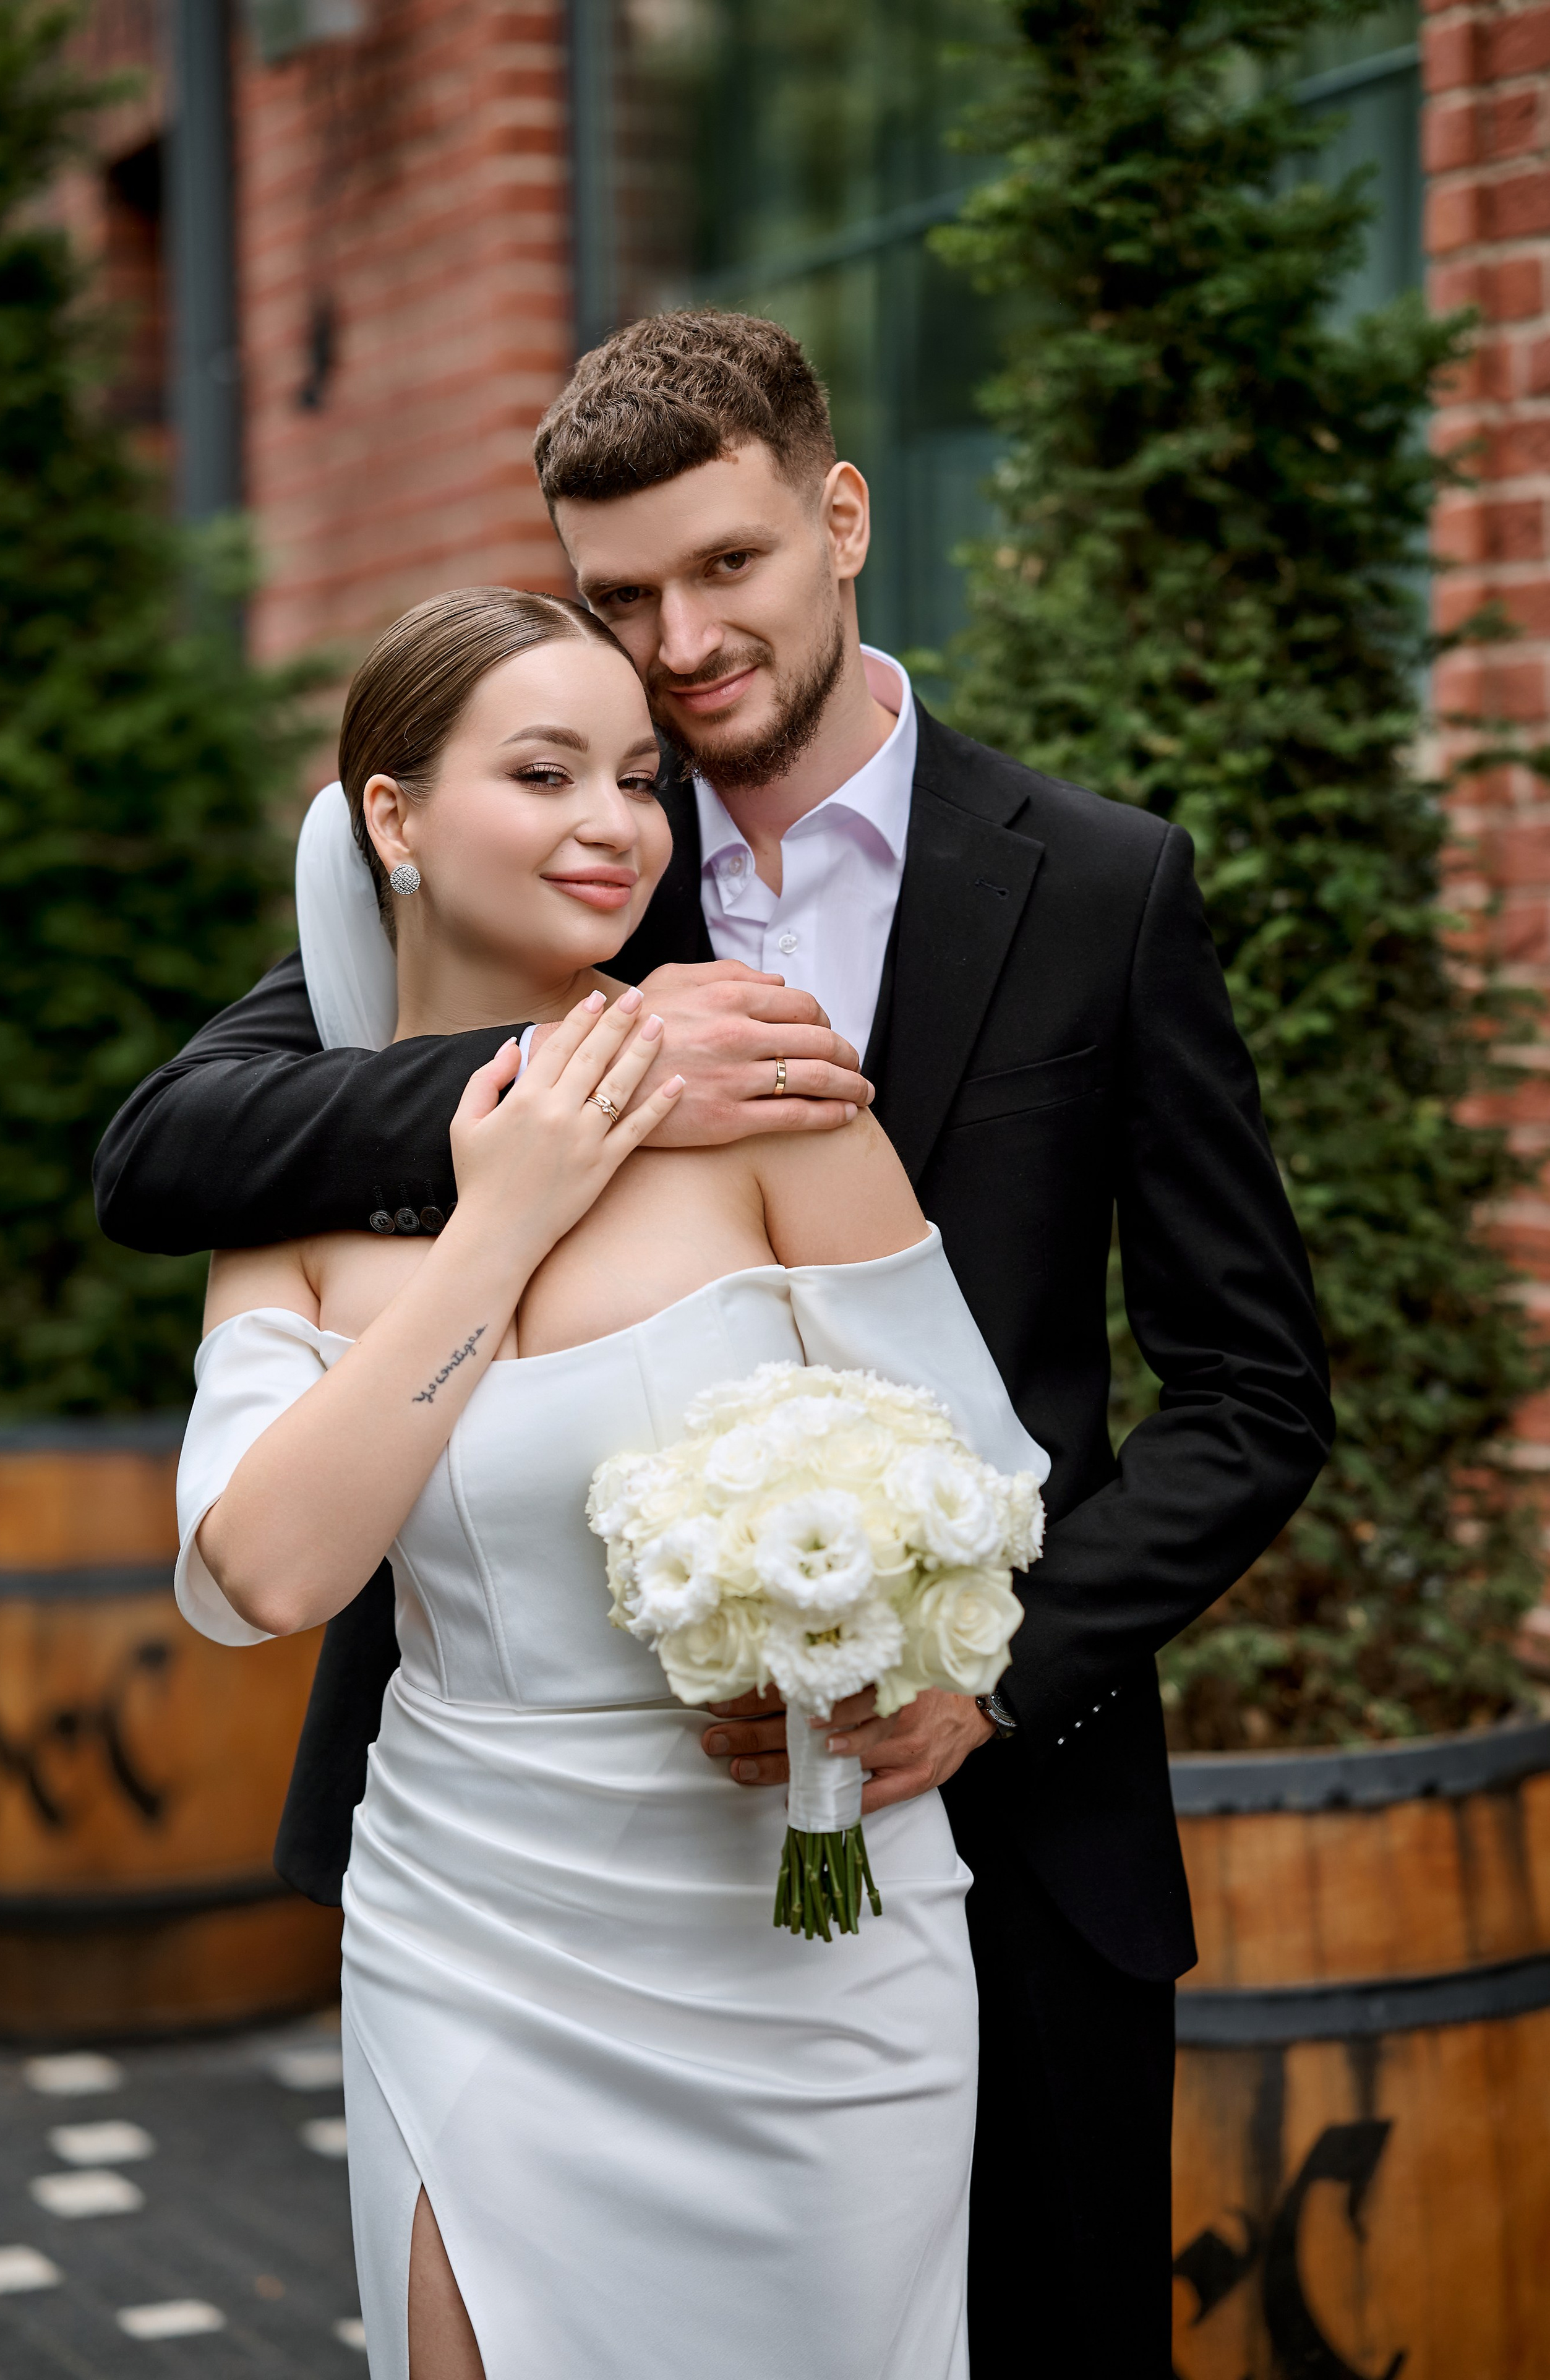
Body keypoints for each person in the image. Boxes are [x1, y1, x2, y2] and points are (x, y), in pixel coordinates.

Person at [96, 312, 1334, 2377]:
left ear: (841, 520)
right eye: (620, 598)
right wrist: (569, 1076)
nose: (676, 644)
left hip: (997, 1831)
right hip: (518, 1862)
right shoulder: (568, 863)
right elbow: (175, 1146)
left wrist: (979, 1678)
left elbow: (1251, 1390)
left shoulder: (1102, 886)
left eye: (727, 566)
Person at [175, 583, 1047, 2378]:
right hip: (474, 1925)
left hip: (808, 1950)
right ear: (394, 818)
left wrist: (922, 1675)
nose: (614, 825)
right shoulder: (288, 1188)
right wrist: (501, 1221)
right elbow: (271, 1575)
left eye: (641, 779)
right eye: (544, 772)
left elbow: (980, 1479)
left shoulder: (769, 1089)